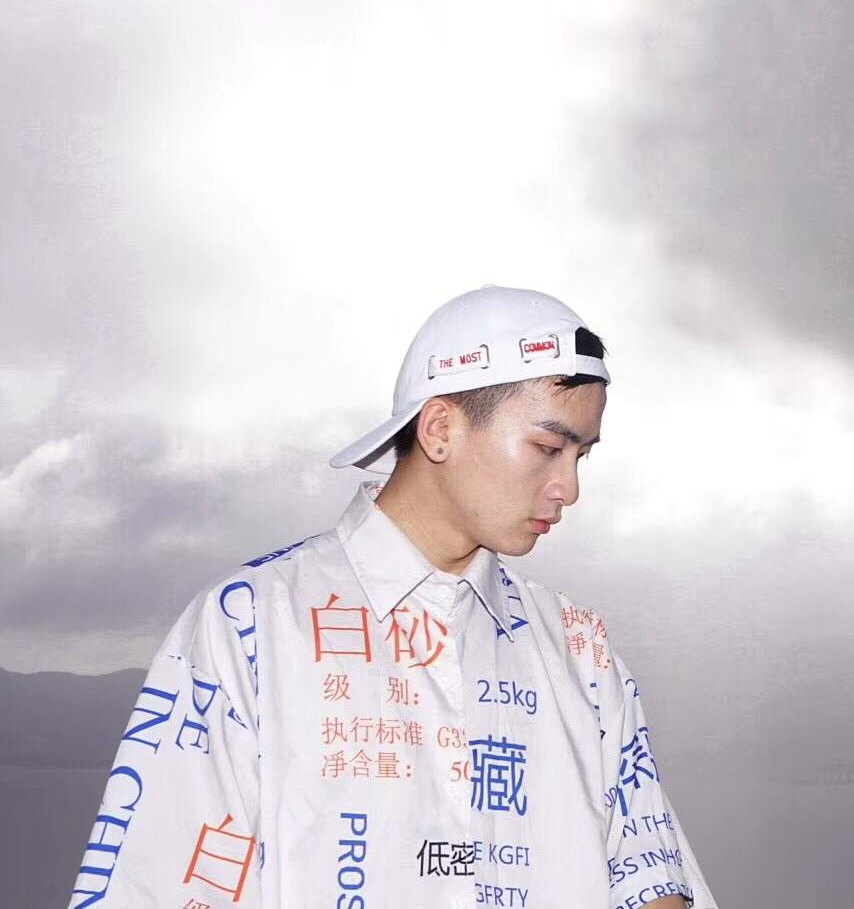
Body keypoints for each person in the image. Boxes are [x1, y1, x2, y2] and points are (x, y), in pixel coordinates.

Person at [68, 285, 718, 909]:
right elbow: (161, 882)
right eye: (548, 448)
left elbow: (651, 877)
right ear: (439, 429)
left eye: (582, 456)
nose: (568, 488)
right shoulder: (250, 624)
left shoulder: (579, 648)